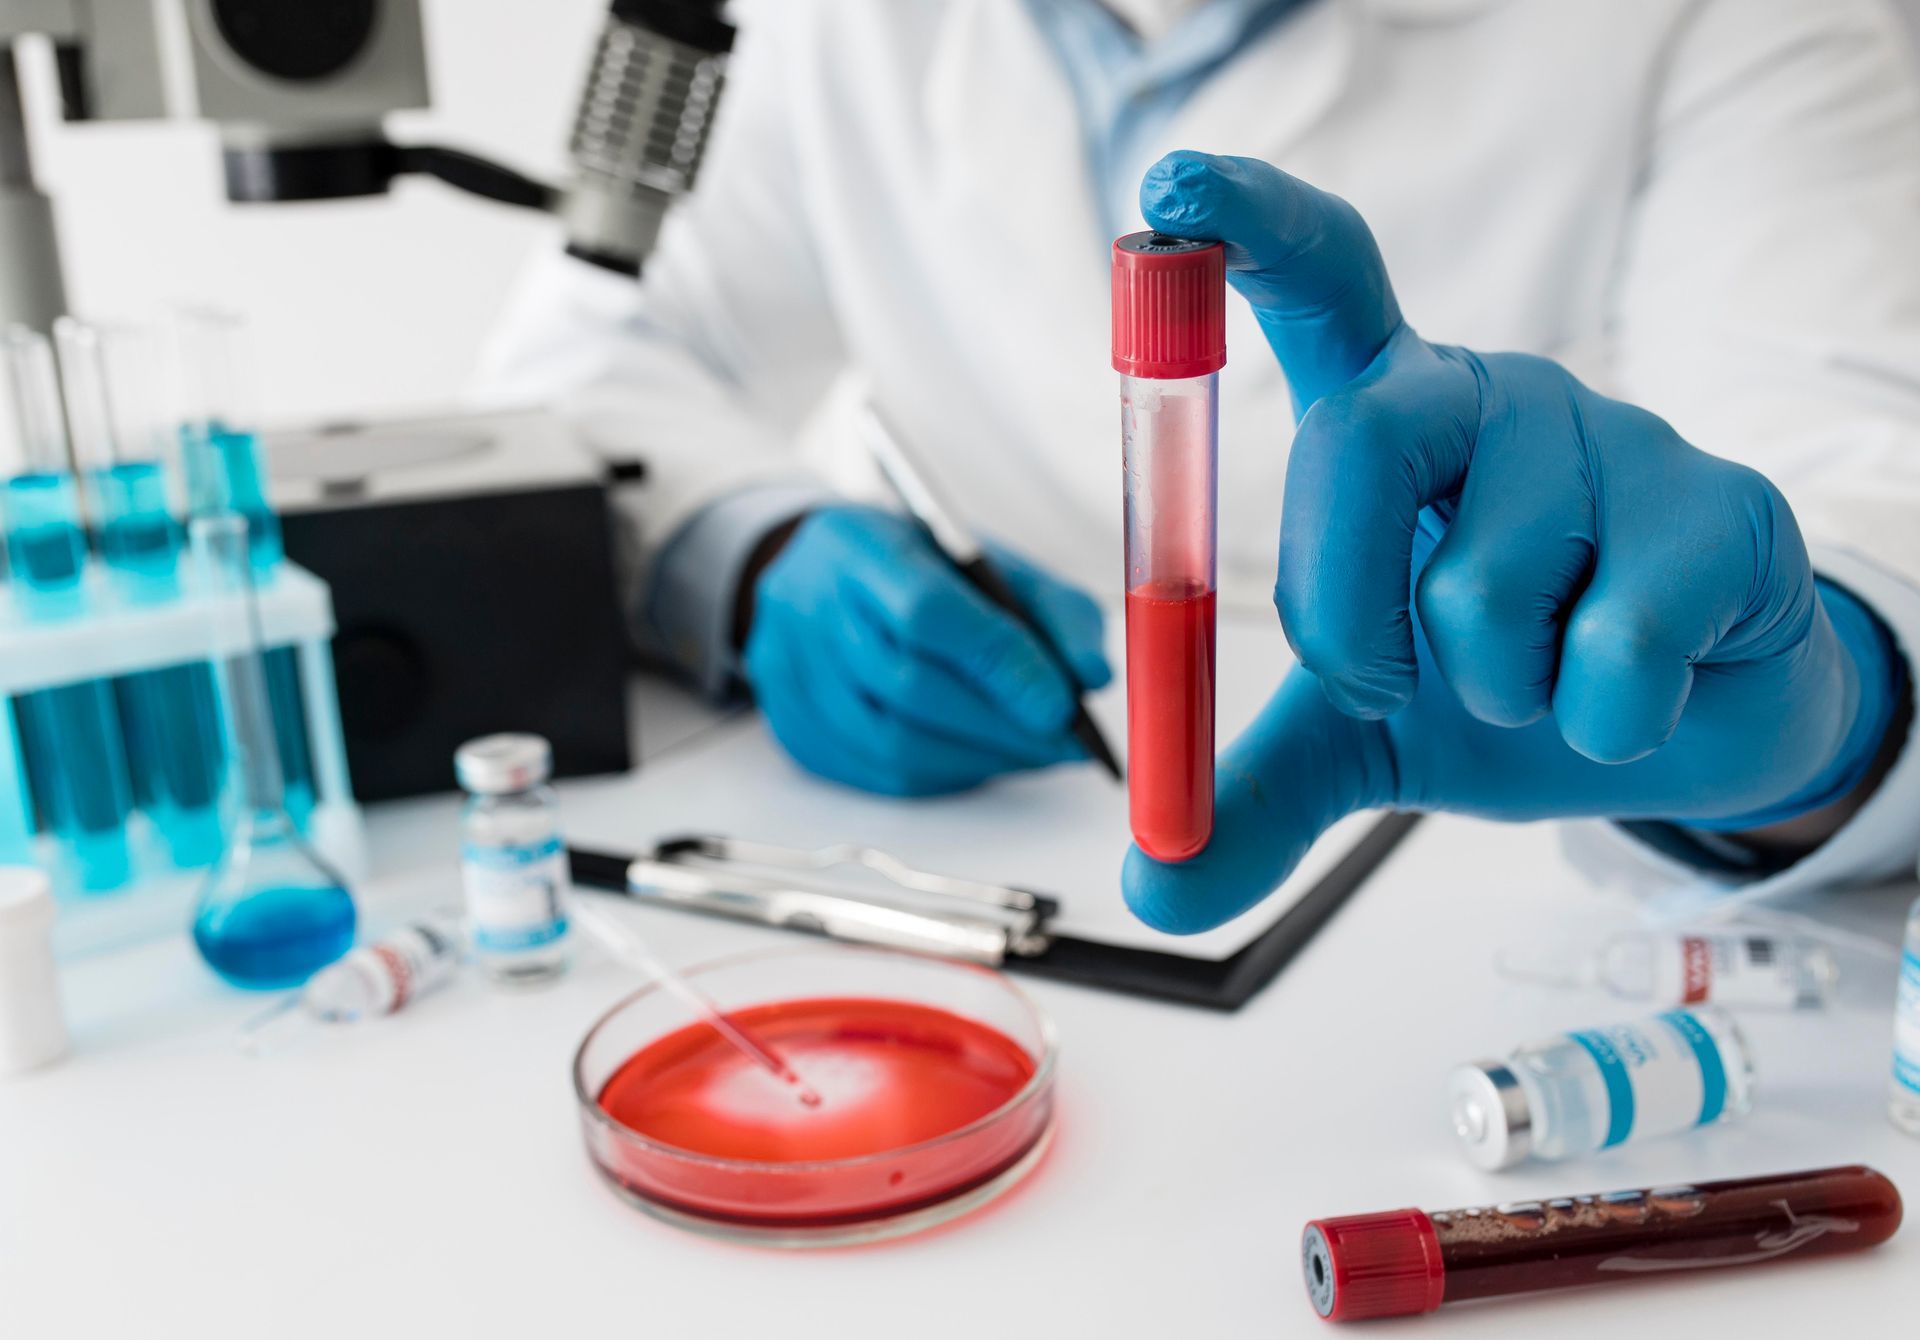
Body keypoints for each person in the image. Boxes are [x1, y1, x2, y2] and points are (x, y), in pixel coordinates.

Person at [483, 0, 1920, 933]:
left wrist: (1833, 704)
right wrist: (757, 557)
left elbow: (1851, 468)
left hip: (1503, 892)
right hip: (1008, 845)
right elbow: (594, 352)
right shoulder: (831, 23)